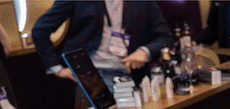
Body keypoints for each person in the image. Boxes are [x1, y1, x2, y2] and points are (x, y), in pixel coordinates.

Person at [31, 0, 174, 87]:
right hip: (92, 74)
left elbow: (165, 36)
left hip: (133, 73)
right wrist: (57, 69)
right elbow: (39, 31)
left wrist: (145, 51)